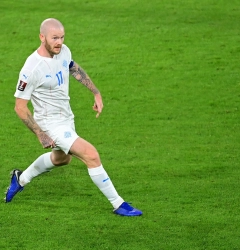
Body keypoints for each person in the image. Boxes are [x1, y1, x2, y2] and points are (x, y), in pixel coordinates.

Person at [5, 18, 142, 217]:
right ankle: (118, 203)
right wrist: (40, 133)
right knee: (91, 154)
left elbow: (72, 67)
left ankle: (20, 179)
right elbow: (19, 107)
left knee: (61, 159)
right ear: (42, 37)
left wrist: (95, 92)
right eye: (54, 38)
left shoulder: (63, 51)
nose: (59, 42)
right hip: (49, 123)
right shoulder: (31, 68)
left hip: (66, 117)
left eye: (61, 37)